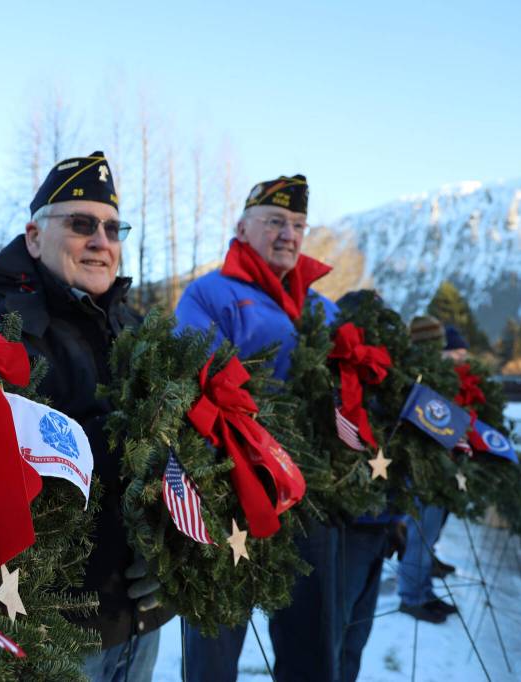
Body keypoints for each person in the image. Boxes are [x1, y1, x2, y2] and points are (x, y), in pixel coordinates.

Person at [0, 151, 174, 682]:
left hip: (140, 619)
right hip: (54, 634)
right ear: (34, 236)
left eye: (113, 228)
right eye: (81, 224)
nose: (101, 241)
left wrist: (176, 546)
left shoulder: (140, 331)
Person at [175, 175, 351, 681]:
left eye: (298, 224)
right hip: (231, 492)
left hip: (307, 499)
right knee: (214, 648)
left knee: (311, 648)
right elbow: (196, 382)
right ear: (242, 227)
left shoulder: (321, 308)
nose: (288, 234)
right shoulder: (209, 294)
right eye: (275, 221)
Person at [397, 318, 465, 623]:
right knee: (419, 536)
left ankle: (424, 591)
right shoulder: (418, 377)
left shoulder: (437, 377)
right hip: (422, 469)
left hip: (438, 467)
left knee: (427, 537)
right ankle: (412, 598)